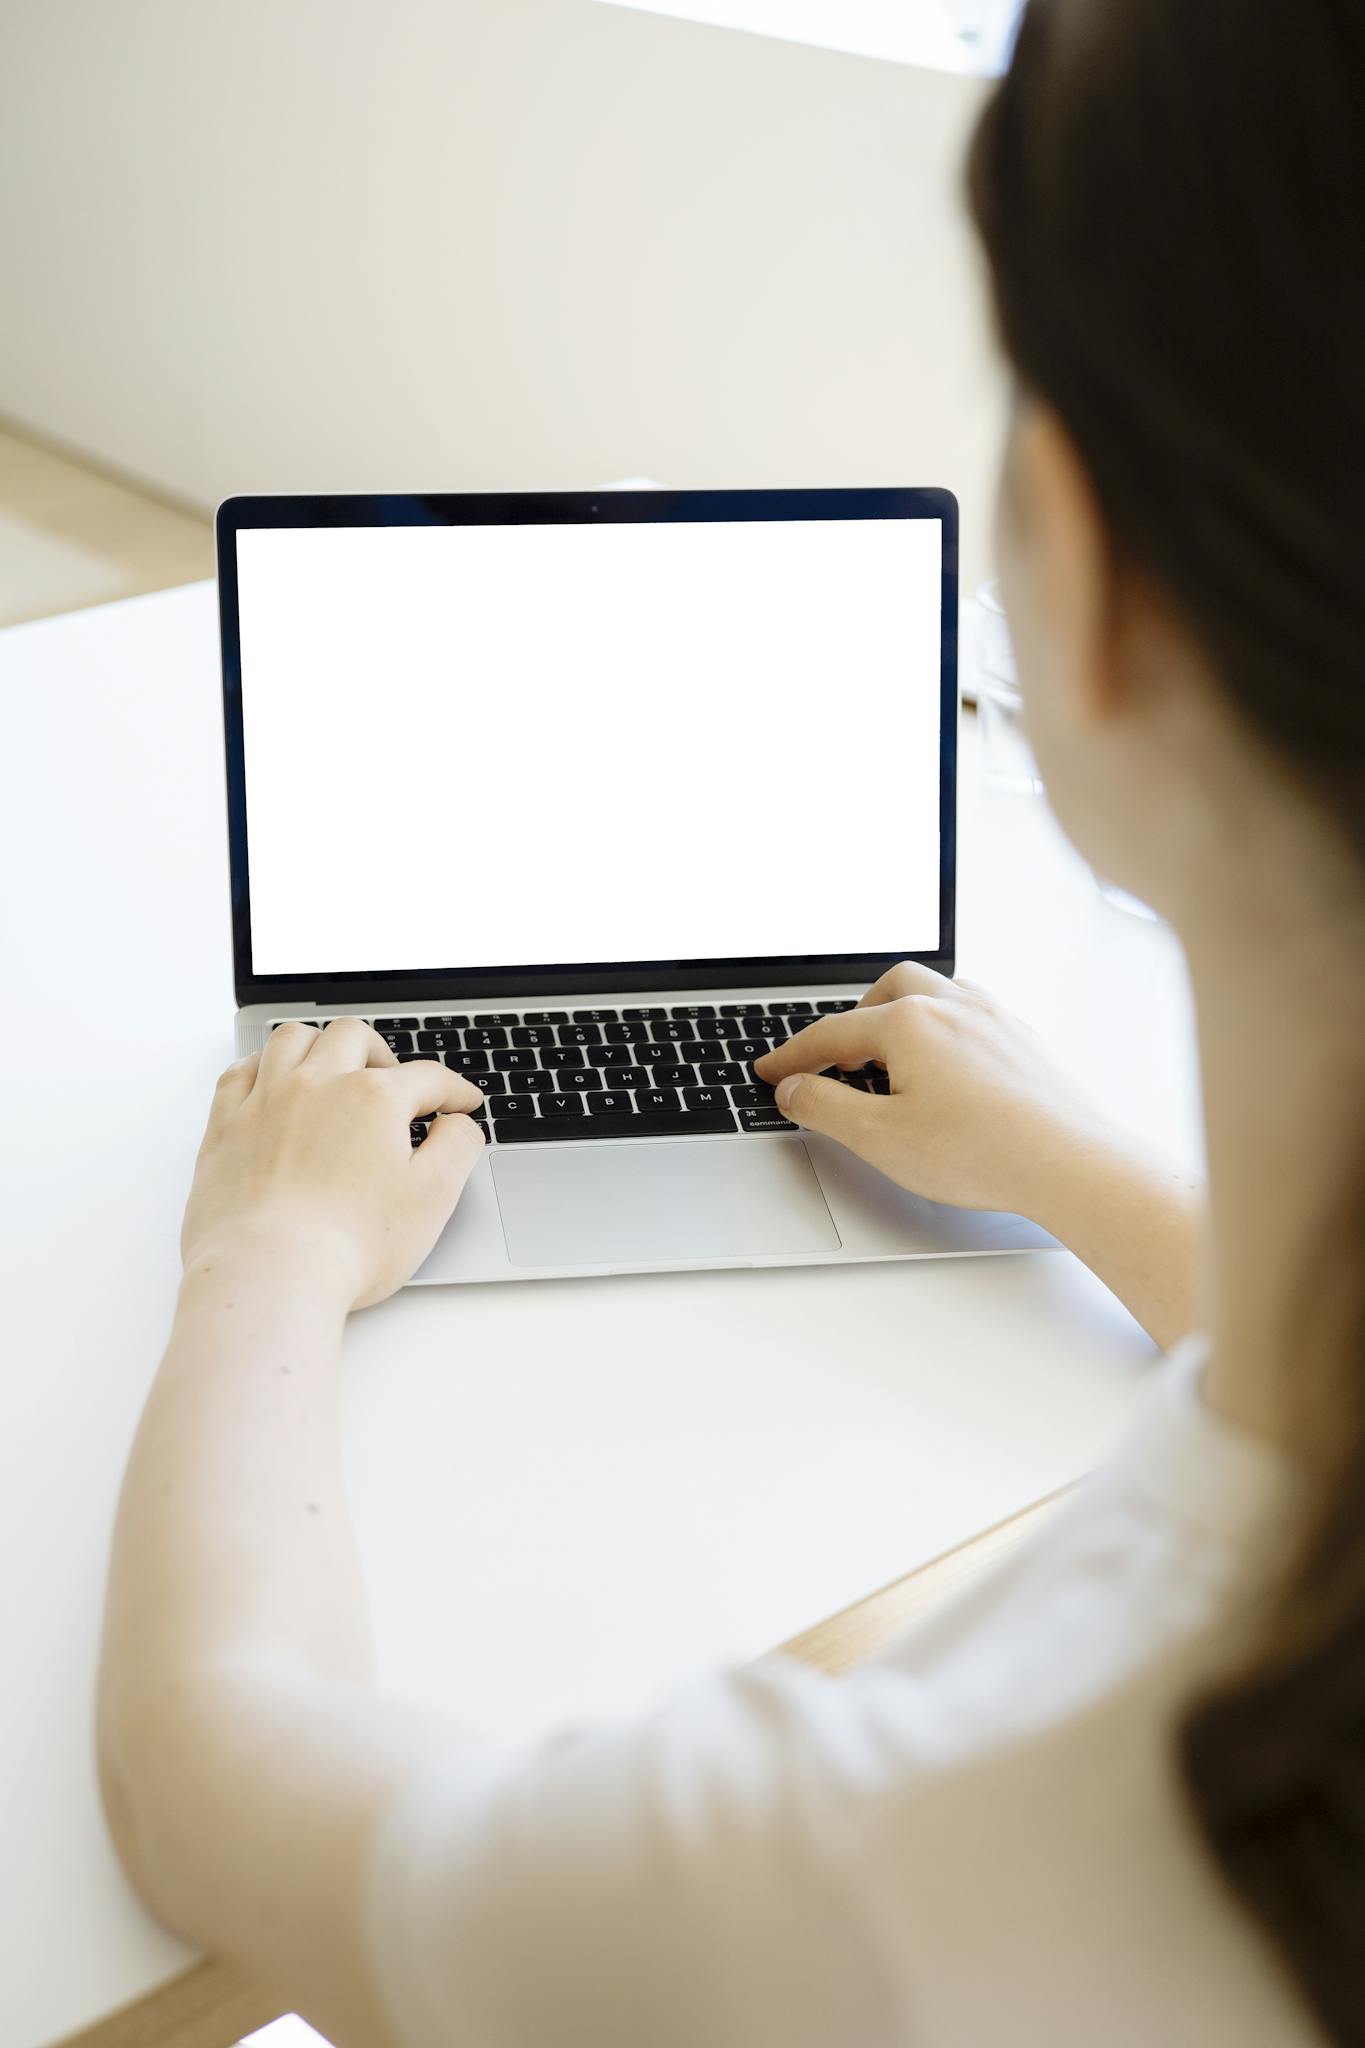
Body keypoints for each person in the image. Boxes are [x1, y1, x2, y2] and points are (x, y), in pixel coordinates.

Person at [96, 0, 1365, 2041]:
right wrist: (1071, 1166)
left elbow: (200, 1770)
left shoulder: (881, 1876)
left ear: (1090, 579)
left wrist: (263, 1260)